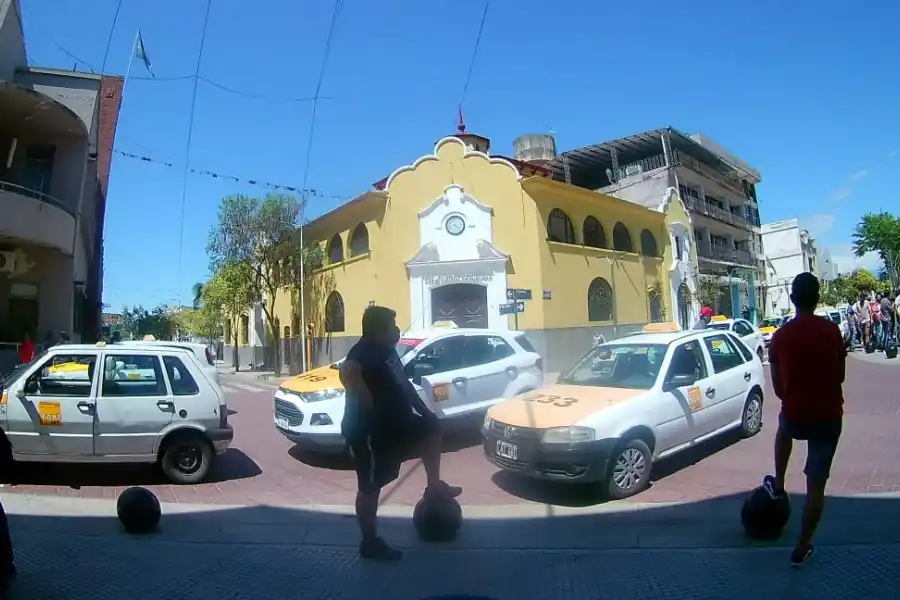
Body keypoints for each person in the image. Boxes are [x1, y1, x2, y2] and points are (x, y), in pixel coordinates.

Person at [339, 306, 461, 561]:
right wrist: (377, 435)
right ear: (378, 329)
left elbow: (404, 385)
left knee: (431, 428)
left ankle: (434, 487)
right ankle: (369, 542)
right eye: (392, 325)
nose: (397, 330)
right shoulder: (356, 359)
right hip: (370, 434)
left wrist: (424, 412)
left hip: (397, 423)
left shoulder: (388, 352)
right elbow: (362, 403)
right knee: (370, 488)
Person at [764, 272, 846, 568]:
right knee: (816, 486)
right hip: (827, 417)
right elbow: (840, 376)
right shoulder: (832, 331)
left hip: (796, 413)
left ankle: (780, 482)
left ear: (792, 299)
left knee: (783, 427)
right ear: (818, 298)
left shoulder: (780, 337)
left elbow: (777, 389)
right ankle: (802, 546)